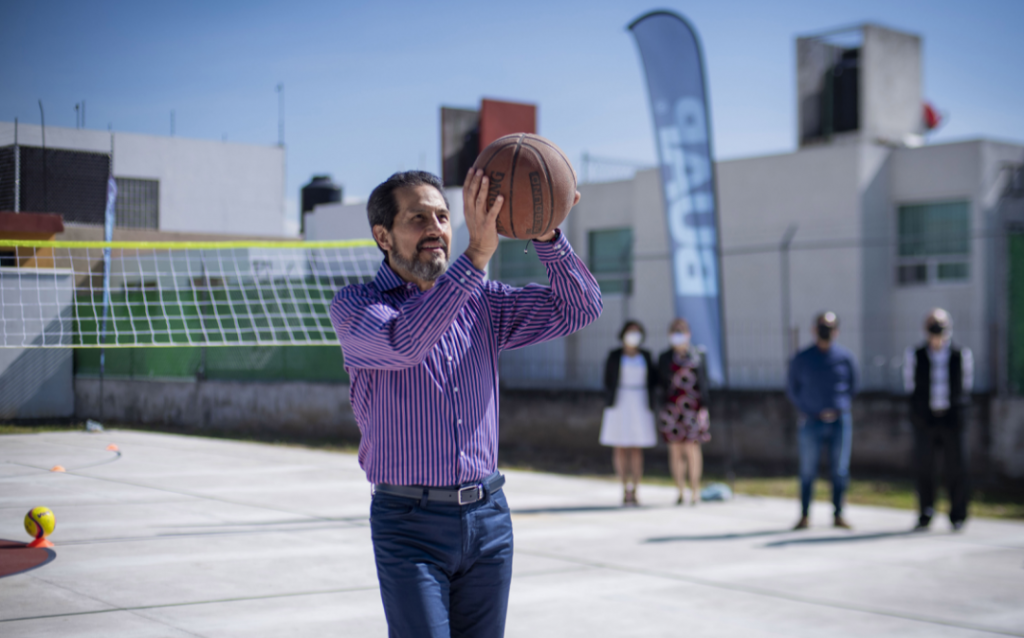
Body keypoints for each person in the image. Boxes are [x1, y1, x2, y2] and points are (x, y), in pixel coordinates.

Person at [329, 169, 602, 637]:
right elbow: (406, 342)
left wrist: (548, 235)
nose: (436, 228)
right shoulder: (357, 306)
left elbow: (579, 307)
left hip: (488, 517)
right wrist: (476, 255)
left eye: (442, 215)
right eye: (418, 218)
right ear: (383, 236)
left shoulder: (483, 303)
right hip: (408, 524)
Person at [786, 311, 859, 530]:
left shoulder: (845, 358)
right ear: (813, 329)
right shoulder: (802, 358)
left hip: (839, 421)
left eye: (830, 326)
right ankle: (804, 515)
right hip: (811, 421)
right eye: (822, 326)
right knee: (808, 470)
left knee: (839, 470)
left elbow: (853, 386)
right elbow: (792, 388)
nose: (826, 331)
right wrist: (807, 408)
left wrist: (840, 405)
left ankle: (838, 514)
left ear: (837, 331)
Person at [903, 308, 974, 532]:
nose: (937, 331)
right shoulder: (915, 355)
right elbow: (910, 387)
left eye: (940, 325)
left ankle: (958, 514)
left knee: (956, 467)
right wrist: (918, 415)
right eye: (933, 325)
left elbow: (965, 386)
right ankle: (926, 512)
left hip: (951, 419)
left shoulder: (960, 355)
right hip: (926, 420)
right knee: (925, 467)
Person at [600, 320, 658, 506]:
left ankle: (637, 487)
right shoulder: (614, 355)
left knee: (636, 447)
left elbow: (654, 380)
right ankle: (624, 487)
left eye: (637, 331)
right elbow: (607, 379)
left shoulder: (646, 356)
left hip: (639, 401)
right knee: (620, 446)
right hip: (620, 402)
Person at [657, 318, 711, 505]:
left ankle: (695, 490)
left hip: (693, 409)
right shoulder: (665, 357)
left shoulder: (698, 355)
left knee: (692, 449)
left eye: (681, 331)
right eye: (674, 331)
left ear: (689, 334)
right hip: (672, 410)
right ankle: (680, 490)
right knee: (676, 451)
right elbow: (659, 382)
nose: (678, 335)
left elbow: (705, 382)